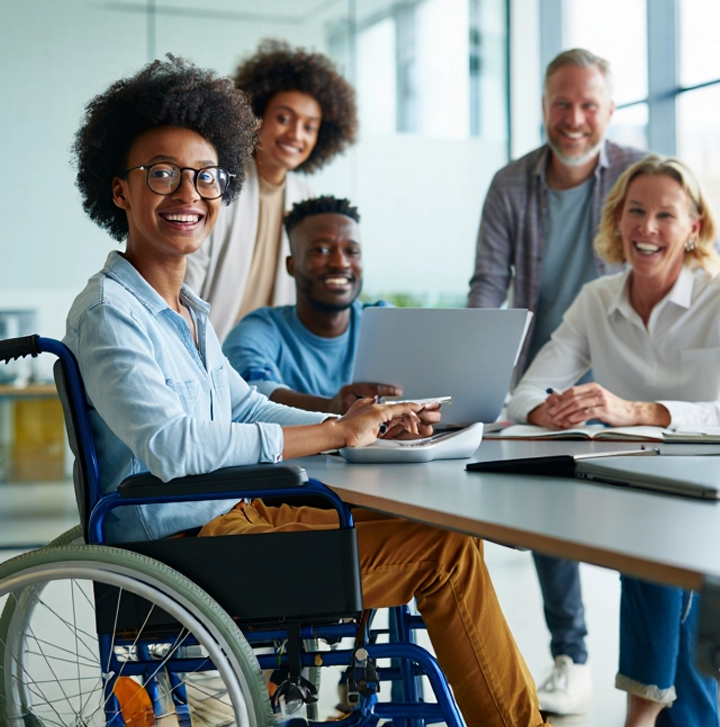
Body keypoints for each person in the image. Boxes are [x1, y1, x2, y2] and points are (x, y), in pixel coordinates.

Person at [64, 55, 546, 727]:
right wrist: (331, 434)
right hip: (184, 553)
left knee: (440, 534)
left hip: (234, 526)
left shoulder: (186, 311)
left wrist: (358, 417)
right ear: (120, 190)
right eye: (162, 174)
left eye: (205, 177)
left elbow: (242, 406)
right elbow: (174, 447)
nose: (188, 194)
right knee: (445, 556)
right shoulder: (110, 312)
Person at [508, 154, 720, 727]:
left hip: (711, 493)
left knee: (663, 550)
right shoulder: (597, 300)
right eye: (635, 211)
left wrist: (639, 411)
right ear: (617, 219)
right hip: (635, 486)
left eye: (665, 215)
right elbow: (522, 397)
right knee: (655, 539)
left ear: (694, 227)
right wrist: (552, 408)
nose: (646, 228)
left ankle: (644, 720)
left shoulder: (718, 297)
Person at [467, 47, 645, 714]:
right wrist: (478, 372)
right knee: (549, 508)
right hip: (548, 370)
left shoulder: (634, 174)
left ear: (610, 108)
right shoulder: (512, 184)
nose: (574, 119)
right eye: (561, 104)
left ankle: (650, 667)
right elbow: (489, 282)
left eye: (588, 104)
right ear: (544, 106)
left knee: (640, 517)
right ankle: (572, 654)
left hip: (628, 362)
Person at [185, 39, 358, 342]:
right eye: (284, 118)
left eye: (309, 126)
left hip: (266, 360)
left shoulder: (306, 199)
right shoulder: (215, 185)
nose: (296, 134)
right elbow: (186, 282)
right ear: (255, 116)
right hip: (205, 349)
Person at [223, 195, 400, 415]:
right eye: (322, 250)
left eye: (352, 252)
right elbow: (249, 396)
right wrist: (332, 409)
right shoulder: (259, 331)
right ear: (292, 265)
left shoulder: (386, 322)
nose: (341, 263)